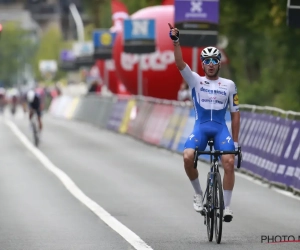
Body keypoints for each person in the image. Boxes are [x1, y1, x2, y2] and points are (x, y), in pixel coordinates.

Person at [168, 23, 240, 222]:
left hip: (220, 129)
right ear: (202, 64)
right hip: (200, 128)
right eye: (206, 61)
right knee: (188, 156)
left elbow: (235, 114)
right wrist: (176, 42)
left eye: (214, 61)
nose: (210, 64)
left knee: (229, 162)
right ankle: (198, 193)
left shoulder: (229, 85)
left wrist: (235, 143)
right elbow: (180, 63)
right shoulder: (195, 80)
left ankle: (227, 206)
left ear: (219, 63)